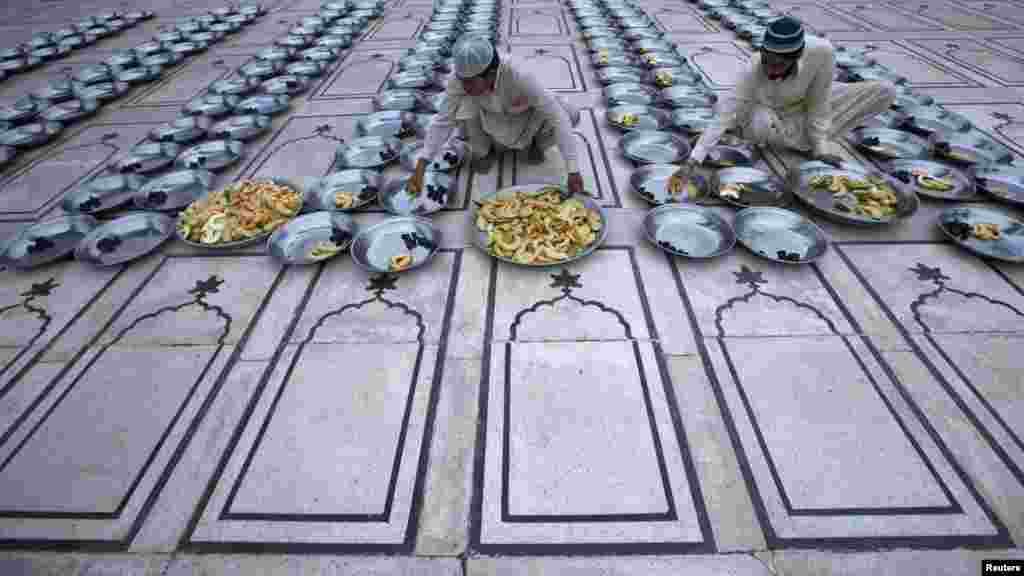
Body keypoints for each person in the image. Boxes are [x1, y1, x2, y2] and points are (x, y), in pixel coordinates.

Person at [673, 16, 897, 193]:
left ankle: (802, 139)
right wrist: (694, 160)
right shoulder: (755, 66)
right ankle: (785, 136)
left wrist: (820, 150)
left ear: (796, 56)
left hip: (803, 106)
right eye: (767, 61)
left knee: (884, 91)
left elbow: (819, 102)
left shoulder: (822, 53)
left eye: (779, 64)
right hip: (766, 109)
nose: (770, 69)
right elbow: (727, 110)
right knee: (759, 123)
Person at [409, 35, 585, 196]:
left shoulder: (519, 75)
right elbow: (443, 120)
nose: (465, 86)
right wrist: (422, 165)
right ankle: (483, 151)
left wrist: (573, 169)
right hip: (490, 121)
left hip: (524, 118)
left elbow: (557, 116)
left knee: (569, 114)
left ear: (491, 73)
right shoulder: (460, 80)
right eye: (462, 81)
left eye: (470, 82)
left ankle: (536, 144)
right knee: (462, 107)